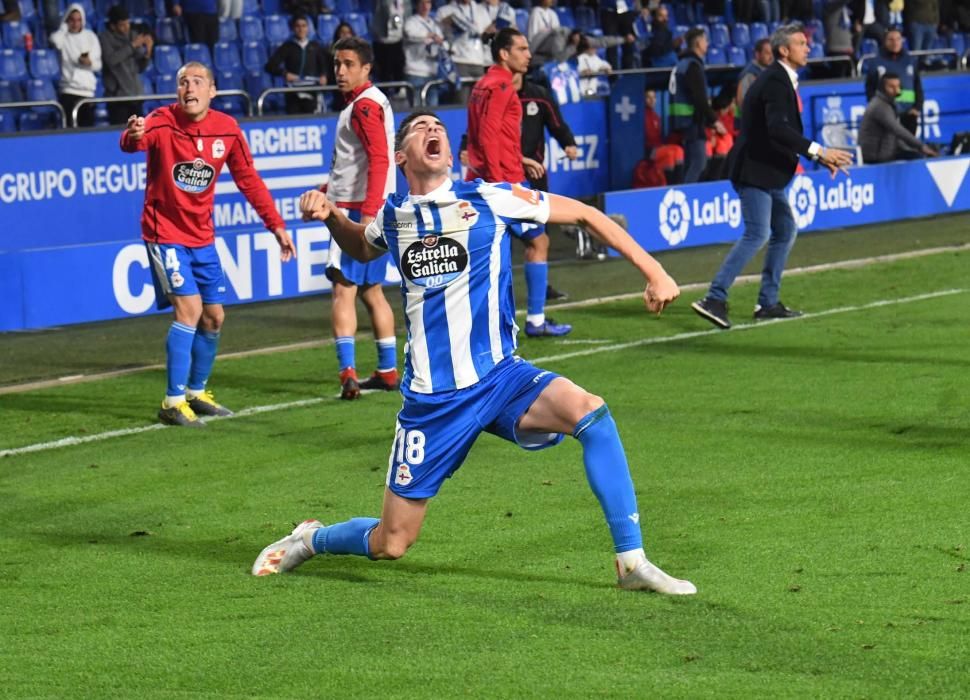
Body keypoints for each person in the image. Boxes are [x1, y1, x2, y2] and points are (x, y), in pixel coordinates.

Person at [252, 109, 698, 597]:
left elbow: (588, 214)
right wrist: (333, 217)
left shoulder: (490, 196)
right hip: (434, 402)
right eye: (420, 128)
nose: (434, 130)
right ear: (401, 156)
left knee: (591, 413)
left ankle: (631, 561)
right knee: (391, 543)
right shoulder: (394, 215)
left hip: (501, 377)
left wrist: (653, 271)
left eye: (438, 126)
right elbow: (362, 248)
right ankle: (311, 539)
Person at [120, 62, 296, 426]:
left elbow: (249, 180)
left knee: (214, 317)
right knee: (189, 310)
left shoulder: (227, 130)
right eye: (183, 82)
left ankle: (195, 393)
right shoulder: (161, 120)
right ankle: (171, 401)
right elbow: (133, 142)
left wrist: (276, 226)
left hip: (202, 236)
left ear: (212, 91)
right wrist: (133, 134)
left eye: (197, 82)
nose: (189, 88)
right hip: (164, 232)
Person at [691, 24, 854, 330]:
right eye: (801, 43)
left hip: (765, 171)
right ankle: (714, 298)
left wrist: (818, 156)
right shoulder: (776, 82)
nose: (808, 48)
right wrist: (820, 152)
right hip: (755, 170)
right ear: (784, 50)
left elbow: (777, 131)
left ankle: (768, 302)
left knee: (785, 229)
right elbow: (778, 129)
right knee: (758, 234)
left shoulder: (780, 80)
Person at [466, 27, 571, 337]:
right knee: (538, 242)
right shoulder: (501, 87)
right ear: (504, 54)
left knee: (489, 257)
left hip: (485, 179)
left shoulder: (481, 86)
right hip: (505, 184)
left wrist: (520, 159)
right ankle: (535, 320)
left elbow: (487, 136)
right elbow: (487, 138)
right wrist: (504, 187)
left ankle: (483, 326)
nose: (528, 55)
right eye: (522, 49)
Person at [324, 37, 399, 400]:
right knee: (372, 291)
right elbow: (367, 159)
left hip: (356, 209)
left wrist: (366, 213)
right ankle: (387, 370)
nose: (340, 71)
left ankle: (347, 373)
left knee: (343, 289)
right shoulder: (372, 101)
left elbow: (380, 159)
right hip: (372, 205)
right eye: (337, 63)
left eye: (348, 64)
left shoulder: (363, 106)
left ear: (366, 68)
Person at [669, 28, 726, 184]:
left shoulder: (682, 64)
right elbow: (700, 100)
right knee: (699, 163)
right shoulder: (693, 66)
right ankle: (687, 196)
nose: (707, 43)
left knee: (691, 163)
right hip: (692, 121)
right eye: (705, 40)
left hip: (683, 122)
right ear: (698, 43)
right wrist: (714, 121)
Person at [858, 72, 939, 163]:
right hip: (874, 158)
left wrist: (912, 149)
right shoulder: (879, 106)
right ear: (882, 88)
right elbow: (897, 129)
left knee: (915, 154)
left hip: (884, 151)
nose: (897, 90)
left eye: (898, 86)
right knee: (917, 158)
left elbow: (894, 136)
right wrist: (921, 146)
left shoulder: (887, 103)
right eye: (892, 87)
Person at [99, 5, 153, 126]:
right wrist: (132, 46)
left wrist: (148, 52)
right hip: (117, 98)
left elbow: (140, 68)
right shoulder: (104, 38)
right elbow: (111, 60)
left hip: (135, 95)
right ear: (113, 26)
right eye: (122, 25)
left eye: (128, 23)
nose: (127, 27)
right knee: (120, 135)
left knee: (139, 136)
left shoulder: (133, 35)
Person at [264, 14, 330, 115]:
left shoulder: (315, 47)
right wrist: (285, 73)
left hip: (312, 90)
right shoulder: (287, 47)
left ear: (308, 28)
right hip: (293, 92)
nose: (301, 29)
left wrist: (324, 75)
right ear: (293, 28)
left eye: (304, 26)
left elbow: (324, 65)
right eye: (298, 26)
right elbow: (269, 66)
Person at [49, 3, 102, 128]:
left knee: (87, 131)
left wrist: (89, 63)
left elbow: (98, 65)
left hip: (87, 93)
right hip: (69, 91)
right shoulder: (63, 37)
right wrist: (63, 28)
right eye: (71, 20)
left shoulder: (90, 36)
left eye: (78, 20)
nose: (75, 23)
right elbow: (55, 41)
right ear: (67, 20)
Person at [865, 28, 923, 136]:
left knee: (909, 147)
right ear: (885, 41)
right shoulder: (876, 63)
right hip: (886, 115)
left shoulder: (910, 60)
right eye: (891, 39)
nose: (895, 43)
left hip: (909, 115)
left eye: (898, 39)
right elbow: (870, 88)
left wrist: (917, 108)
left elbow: (917, 85)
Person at [436, 0, 491, 103]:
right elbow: (438, 35)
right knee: (461, 101)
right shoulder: (445, 10)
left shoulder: (480, 10)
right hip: (459, 61)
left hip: (478, 61)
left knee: (479, 102)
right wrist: (447, 24)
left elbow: (488, 32)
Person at [633, 88, 684, 188]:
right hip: (648, 151)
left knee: (677, 151)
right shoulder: (640, 116)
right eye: (648, 97)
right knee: (671, 153)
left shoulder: (656, 116)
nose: (652, 100)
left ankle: (678, 185)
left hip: (658, 148)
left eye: (654, 97)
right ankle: (672, 184)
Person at [403, 0, 447, 107]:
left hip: (432, 73)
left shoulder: (434, 24)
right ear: (416, 5)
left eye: (428, 3)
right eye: (421, 3)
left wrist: (442, 43)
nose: (425, 6)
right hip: (415, 72)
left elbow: (443, 43)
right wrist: (429, 35)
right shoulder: (411, 22)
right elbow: (410, 34)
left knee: (433, 111)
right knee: (416, 112)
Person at [370, 0, 410, 83]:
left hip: (399, 41)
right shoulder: (382, 2)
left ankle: (399, 92)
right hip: (383, 42)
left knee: (399, 71)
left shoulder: (406, 2)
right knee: (383, 74)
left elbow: (408, 17)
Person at [736, 38, 773, 109]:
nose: (771, 57)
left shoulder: (768, 71)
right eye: (767, 53)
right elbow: (743, 102)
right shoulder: (749, 75)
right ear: (757, 54)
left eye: (772, 53)